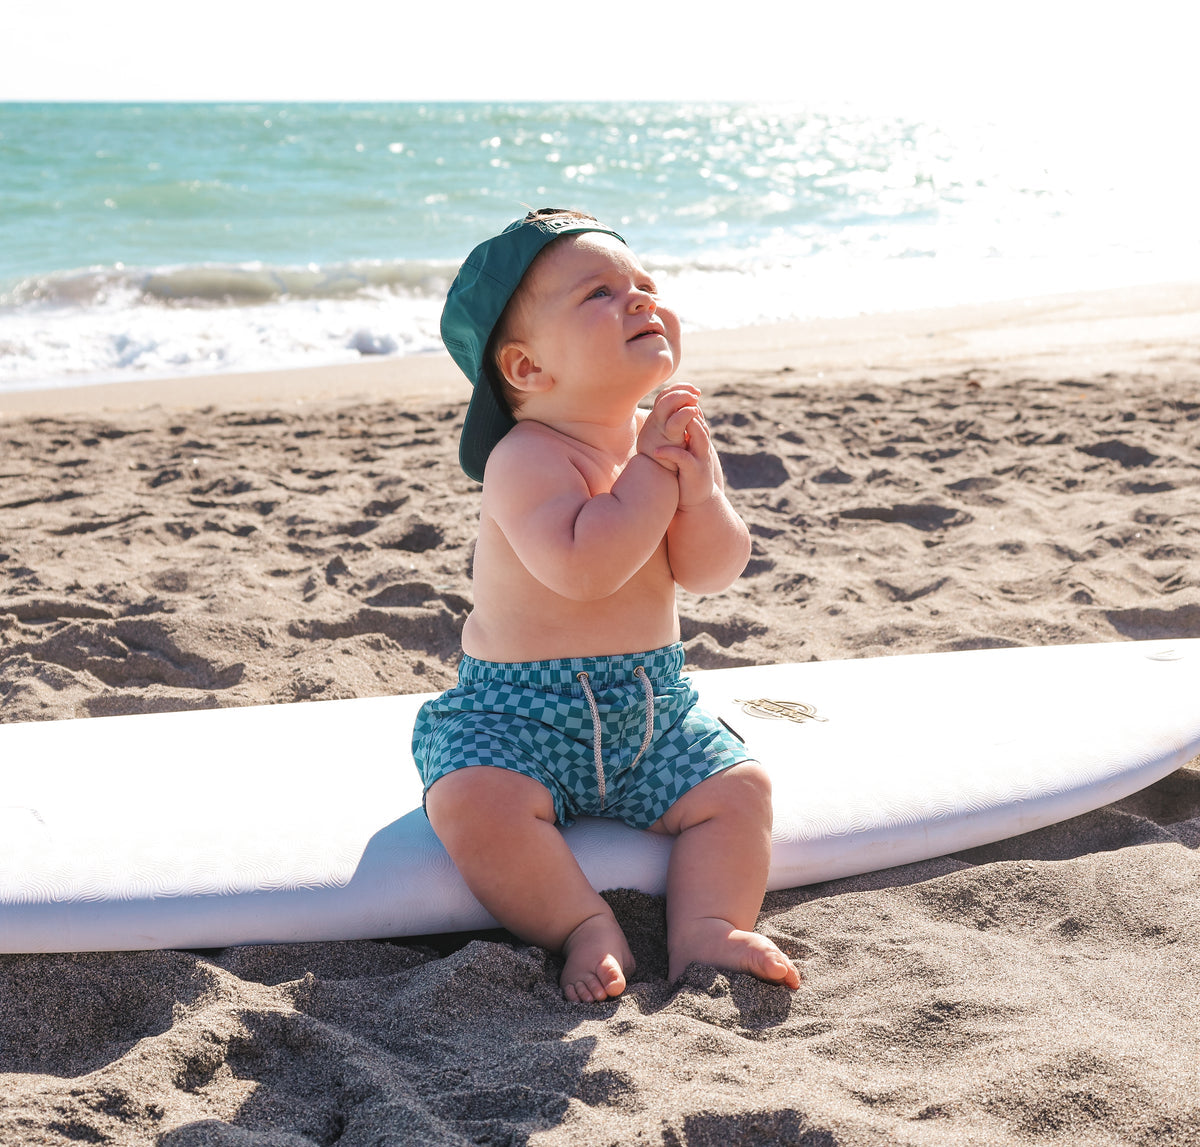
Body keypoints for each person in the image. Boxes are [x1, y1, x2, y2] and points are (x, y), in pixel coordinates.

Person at [413, 208, 801, 1002]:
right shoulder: (523, 459)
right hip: (519, 714)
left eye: (646, 285)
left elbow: (713, 568)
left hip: (650, 706)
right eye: (600, 292)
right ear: (525, 369)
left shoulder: (660, 442)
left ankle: (707, 927)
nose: (641, 300)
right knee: (473, 802)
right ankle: (580, 923)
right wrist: (656, 475)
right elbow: (586, 566)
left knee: (740, 790)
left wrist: (700, 490)